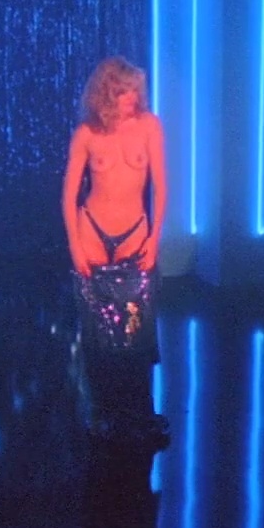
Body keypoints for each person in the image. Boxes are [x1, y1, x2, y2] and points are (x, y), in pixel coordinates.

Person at [63, 57, 169, 447]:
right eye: (125, 92)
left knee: (138, 333)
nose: (133, 99)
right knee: (98, 336)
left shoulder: (149, 126)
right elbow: (69, 195)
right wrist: (75, 246)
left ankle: (141, 412)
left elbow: (161, 187)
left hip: (134, 234)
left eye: (136, 91)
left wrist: (155, 239)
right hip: (93, 233)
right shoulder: (87, 134)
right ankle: (101, 412)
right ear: (108, 93)